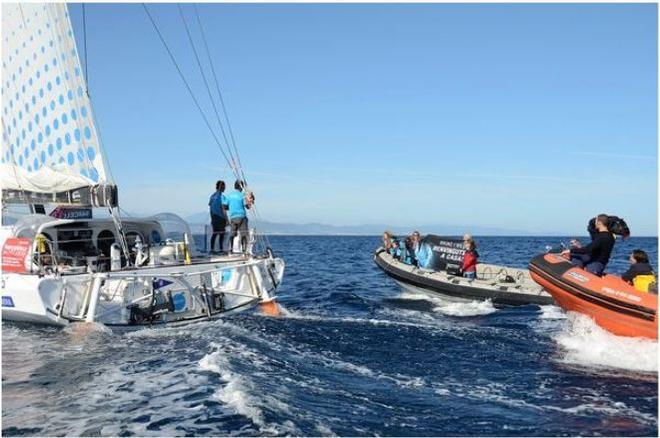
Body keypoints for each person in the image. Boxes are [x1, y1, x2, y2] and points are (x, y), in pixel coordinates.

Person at [223, 180, 252, 252]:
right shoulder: (242, 195)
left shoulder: (229, 195)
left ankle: (230, 249)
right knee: (244, 234)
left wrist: (231, 208)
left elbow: (224, 206)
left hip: (233, 217)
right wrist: (250, 201)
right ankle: (244, 250)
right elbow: (247, 206)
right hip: (242, 216)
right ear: (240, 187)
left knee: (232, 233)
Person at [208, 180, 227, 254]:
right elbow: (223, 208)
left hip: (214, 217)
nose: (225, 188)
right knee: (222, 233)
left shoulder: (212, 196)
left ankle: (212, 249)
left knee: (215, 233)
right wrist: (226, 219)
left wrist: (212, 217)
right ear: (221, 187)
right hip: (220, 217)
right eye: (224, 187)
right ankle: (221, 249)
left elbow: (210, 207)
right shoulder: (222, 197)